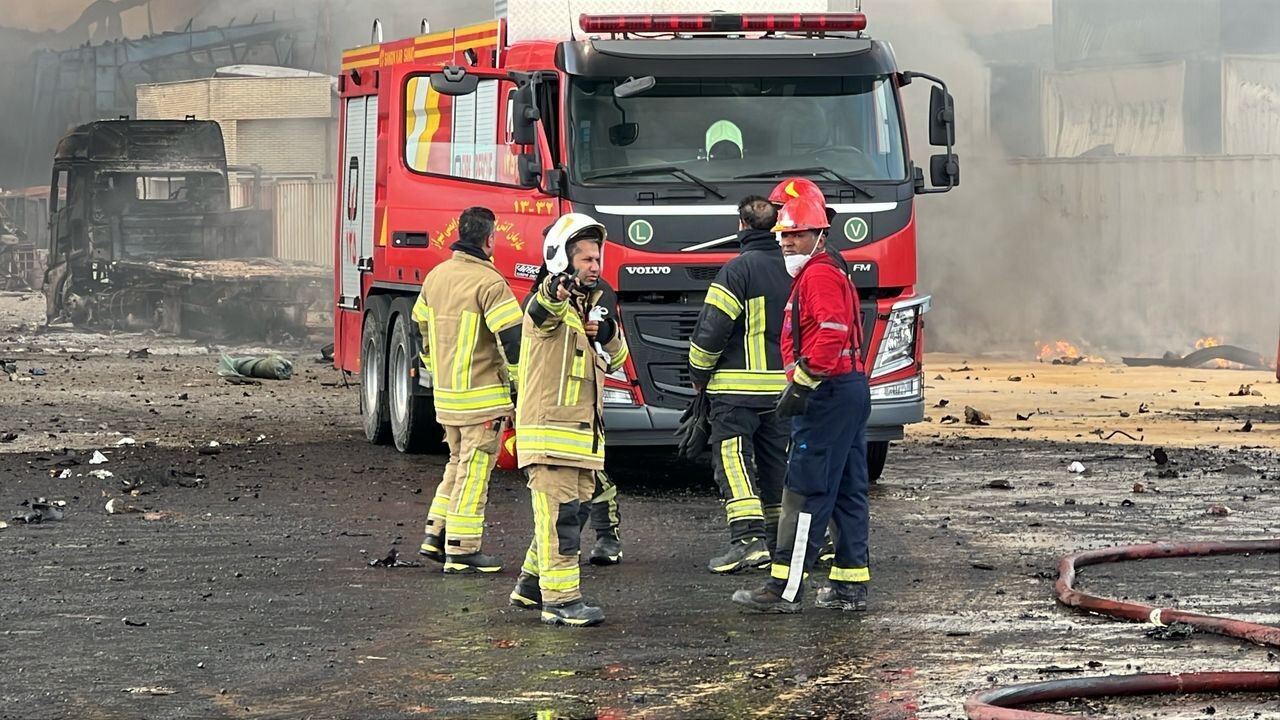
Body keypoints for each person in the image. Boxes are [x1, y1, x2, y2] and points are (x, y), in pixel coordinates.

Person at [731, 195, 873, 613]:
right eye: (783, 235)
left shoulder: (818, 276)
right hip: (846, 389)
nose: (787, 243)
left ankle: (784, 588)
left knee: (806, 490)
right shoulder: (825, 271)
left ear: (819, 235)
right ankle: (850, 585)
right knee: (847, 489)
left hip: (828, 393)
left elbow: (830, 332)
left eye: (796, 234)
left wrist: (804, 384)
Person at [508, 213, 629, 627]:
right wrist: (558, 287)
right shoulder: (549, 306)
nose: (595, 266)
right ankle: (560, 601)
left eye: (598, 259)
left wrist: (608, 330)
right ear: (561, 259)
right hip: (552, 438)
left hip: (580, 440)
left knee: (569, 515)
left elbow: (619, 360)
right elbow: (543, 306)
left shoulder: (589, 313)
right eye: (586, 259)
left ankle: (529, 585)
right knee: (561, 520)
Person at [414, 206, 523, 574]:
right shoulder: (490, 283)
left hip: (447, 399)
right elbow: (514, 341)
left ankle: (436, 533)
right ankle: (461, 550)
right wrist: (521, 389)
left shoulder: (435, 277)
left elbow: (421, 333)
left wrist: (438, 372)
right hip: (482, 402)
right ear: (490, 239)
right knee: (474, 473)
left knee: (457, 464)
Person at [687, 196, 791, 573]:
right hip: (782, 390)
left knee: (733, 462)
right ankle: (780, 540)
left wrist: (698, 376)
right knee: (775, 463)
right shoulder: (795, 269)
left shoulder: (735, 271)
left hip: (734, 393)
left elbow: (711, 332)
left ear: (742, 226)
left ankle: (747, 541)